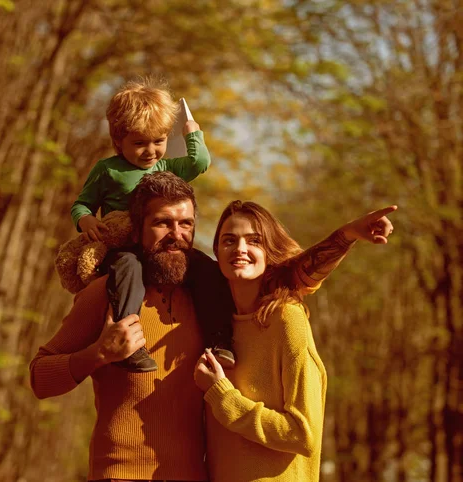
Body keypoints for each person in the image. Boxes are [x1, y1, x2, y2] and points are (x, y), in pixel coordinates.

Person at [30, 172, 396, 482]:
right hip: (122, 475)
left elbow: (284, 272)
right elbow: (39, 377)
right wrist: (98, 354)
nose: (176, 234)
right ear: (137, 228)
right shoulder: (106, 294)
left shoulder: (211, 294)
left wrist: (347, 235)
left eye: (185, 224)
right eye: (161, 223)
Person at [194, 200, 396, 482]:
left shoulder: (286, 320)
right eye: (229, 240)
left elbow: (303, 434)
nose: (240, 249)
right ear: (217, 251)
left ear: (269, 252)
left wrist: (222, 396)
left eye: (254, 241)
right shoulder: (217, 324)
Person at [69, 77, 237, 372]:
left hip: (161, 250)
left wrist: (192, 133)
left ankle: (219, 341)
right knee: (128, 270)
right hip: (124, 250)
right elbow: (81, 204)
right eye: (139, 143)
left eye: (158, 141)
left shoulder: (164, 167)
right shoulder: (107, 170)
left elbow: (199, 163)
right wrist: (85, 220)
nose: (150, 151)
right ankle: (130, 342)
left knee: (206, 269)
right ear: (118, 141)